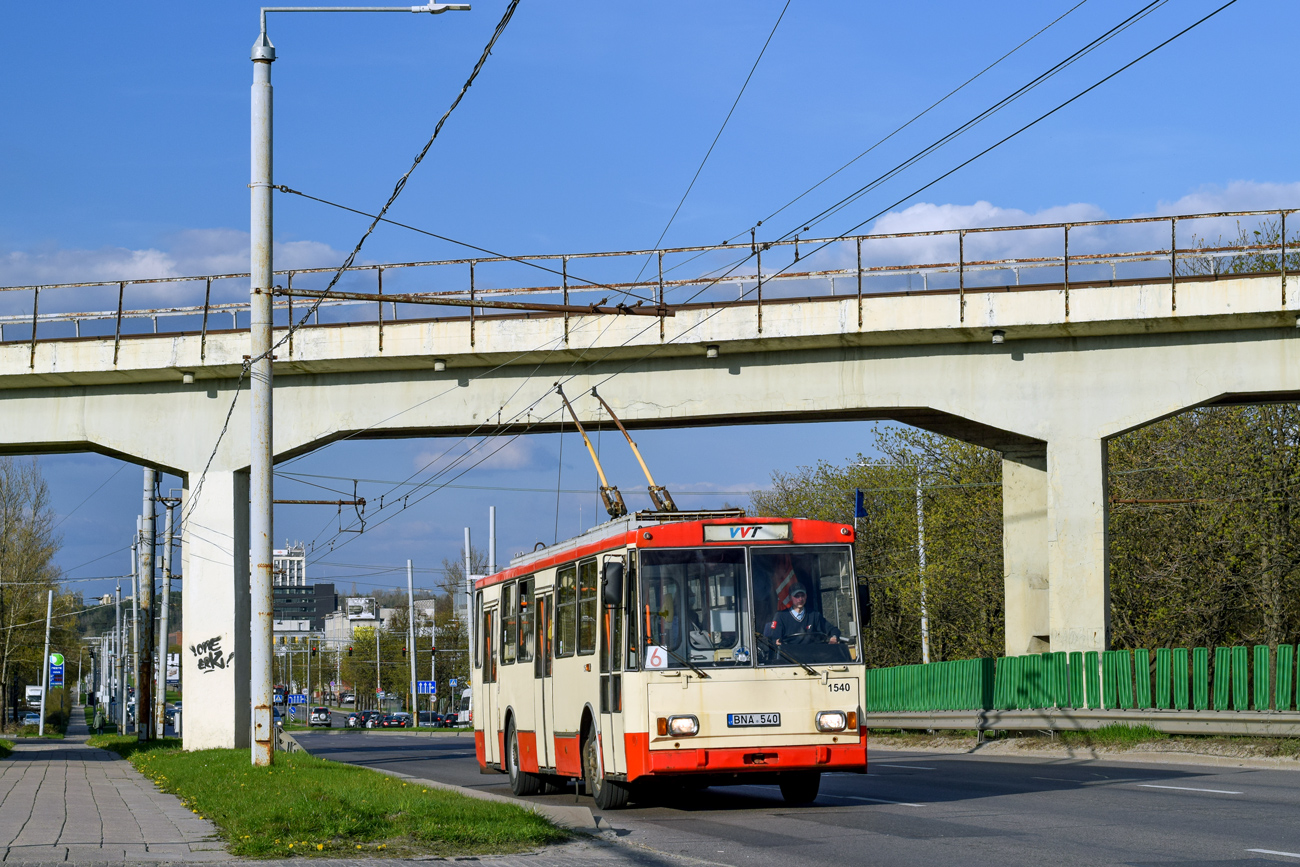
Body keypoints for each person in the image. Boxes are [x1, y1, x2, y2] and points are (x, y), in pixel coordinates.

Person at [763, 584, 840, 645]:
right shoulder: (780, 616)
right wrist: (777, 643)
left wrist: (834, 637)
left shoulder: (814, 615)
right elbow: (774, 639)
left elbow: (833, 630)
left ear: (806, 596)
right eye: (796, 596)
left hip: (813, 657)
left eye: (802, 595)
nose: (800, 599)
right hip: (789, 658)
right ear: (790, 598)